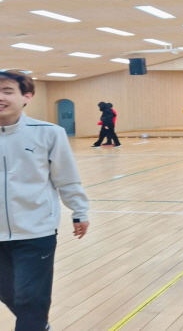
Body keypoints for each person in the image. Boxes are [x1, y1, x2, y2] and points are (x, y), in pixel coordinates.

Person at [0, 69, 89, 331]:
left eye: (7, 91)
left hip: (36, 231)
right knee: (8, 293)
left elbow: (66, 177)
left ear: (27, 96)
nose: (0, 97)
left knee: (30, 298)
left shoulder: (49, 133)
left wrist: (79, 211)